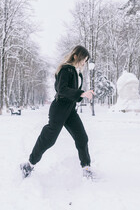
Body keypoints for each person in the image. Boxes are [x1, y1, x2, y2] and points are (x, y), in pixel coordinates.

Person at [20, 45, 95, 179]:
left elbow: (72, 94)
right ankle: (29, 164)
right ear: (76, 56)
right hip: (59, 108)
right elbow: (62, 90)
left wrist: (80, 96)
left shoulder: (77, 72)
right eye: (84, 59)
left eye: (86, 60)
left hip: (70, 110)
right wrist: (82, 94)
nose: (85, 62)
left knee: (82, 137)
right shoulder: (66, 69)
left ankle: (86, 167)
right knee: (49, 139)